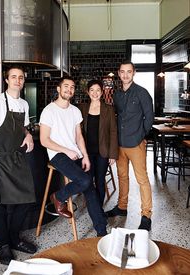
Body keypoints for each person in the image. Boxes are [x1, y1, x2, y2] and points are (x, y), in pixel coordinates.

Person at [0, 65, 37, 265]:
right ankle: (3, 245)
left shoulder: (24, 104)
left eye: (20, 77)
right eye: (13, 77)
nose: (17, 80)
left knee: (25, 200)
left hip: (18, 158)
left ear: (23, 80)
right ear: (6, 80)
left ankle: (14, 238)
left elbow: (22, 127)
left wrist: (28, 135)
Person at [39, 76, 107, 237]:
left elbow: (78, 137)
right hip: (58, 155)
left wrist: (85, 156)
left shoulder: (75, 111)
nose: (69, 90)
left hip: (75, 154)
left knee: (90, 188)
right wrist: (66, 150)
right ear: (58, 89)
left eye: (72, 87)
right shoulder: (49, 111)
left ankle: (101, 231)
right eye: (66, 86)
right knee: (84, 180)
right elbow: (44, 140)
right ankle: (58, 197)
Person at [106, 60, 154, 231]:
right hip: (120, 144)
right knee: (122, 177)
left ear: (134, 73)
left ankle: (146, 215)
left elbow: (149, 118)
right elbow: (116, 117)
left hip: (136, 143)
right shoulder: (117, 95)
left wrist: (141, 136)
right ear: (119, 73)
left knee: (142, 180)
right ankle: (122, 207)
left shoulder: (142, 93)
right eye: (122, 72)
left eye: (129, 71)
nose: (125, 75)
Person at [79, 79, 118, 206]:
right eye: (92, 90)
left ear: (102, 92)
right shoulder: (82, 108)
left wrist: (112, 154)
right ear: (87, 92)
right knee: (88, 181)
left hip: (103, 152)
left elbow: (113, 131)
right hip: (87, 152)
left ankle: (98, 208)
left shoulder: (108, 109)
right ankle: (92, 206)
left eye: (98, 90)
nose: (95, 93)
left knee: (100, 181)